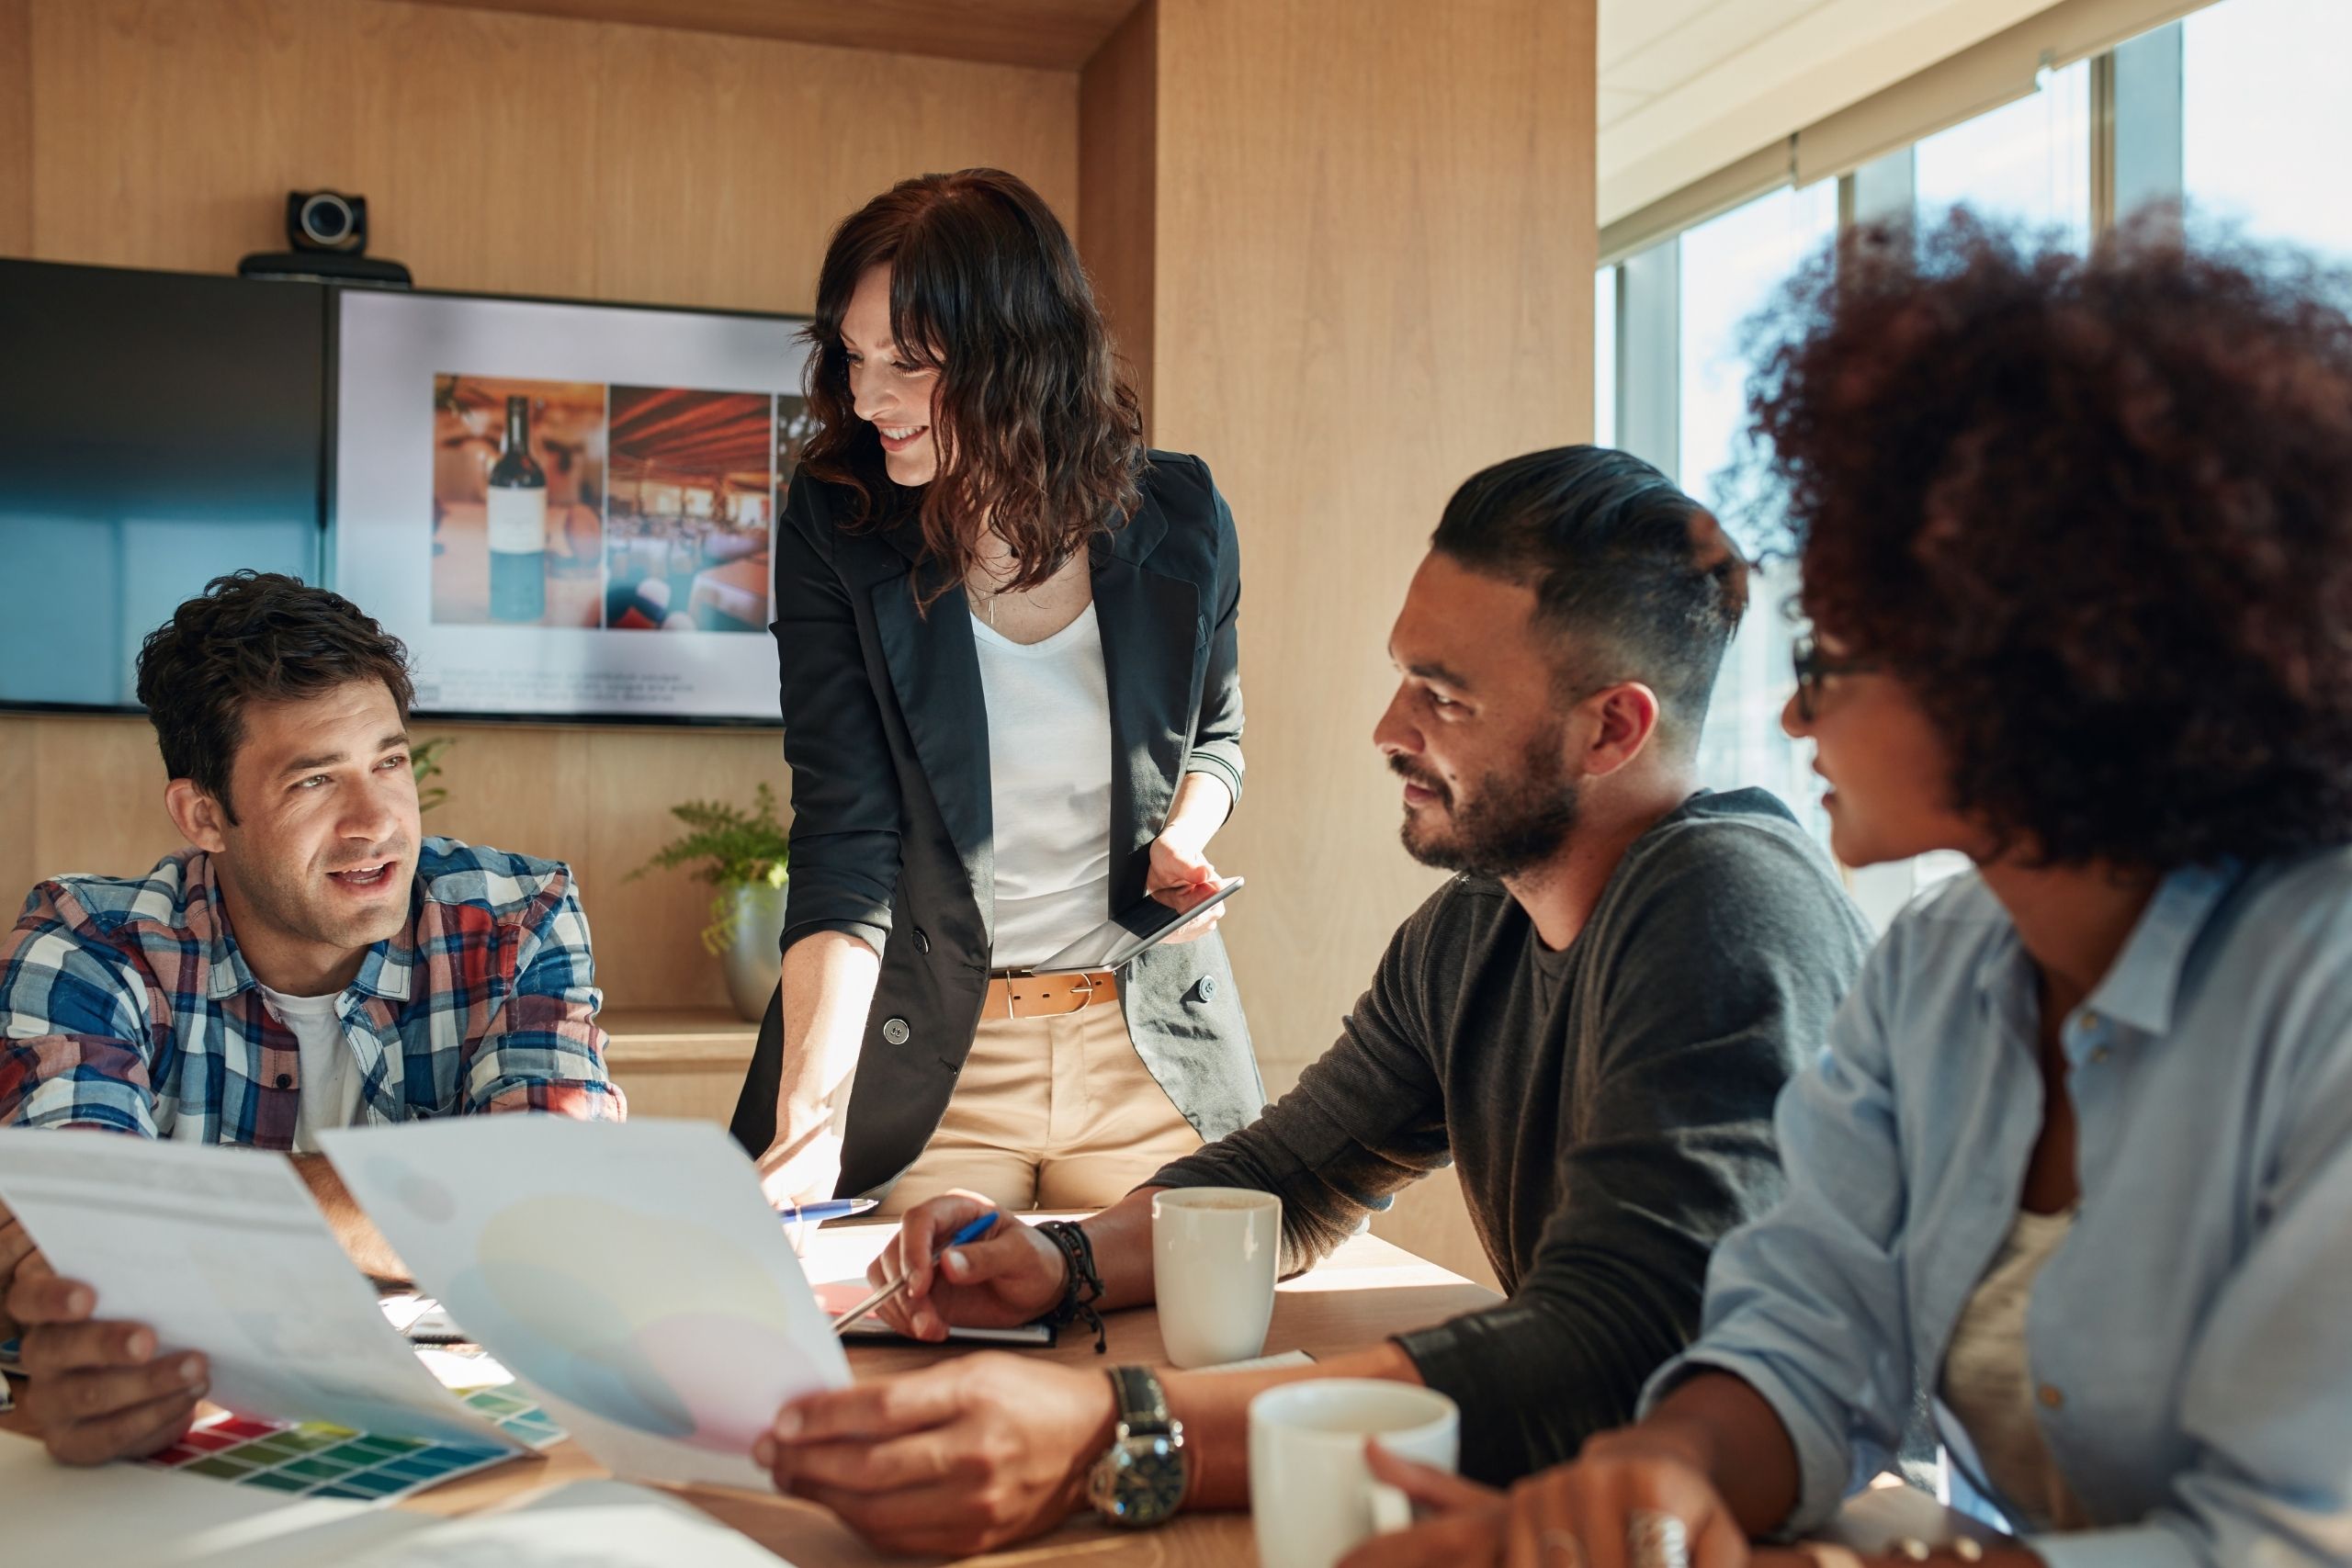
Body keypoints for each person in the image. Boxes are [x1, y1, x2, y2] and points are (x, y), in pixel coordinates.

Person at [1357, 213, 2352, 1568]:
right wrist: (1661, 1471)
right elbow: (1804, 1339)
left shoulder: (2323, 1003)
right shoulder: (1939, 971)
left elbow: (2289, 1537)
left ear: (2045, 674)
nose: (1797, 713)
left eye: (1836, 653)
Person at [751, 446, 1875, 1557]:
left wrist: (1117, 1429)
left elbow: (1616, 1349)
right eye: (1403, 677)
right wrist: (1062, 1263)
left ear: (1610, 730)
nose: (1390, 730)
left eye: (1443, 697)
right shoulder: (1476, 929)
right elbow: (1285, 1176)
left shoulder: (1727, 905)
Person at [0, 570, 623, 1465]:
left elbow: (540, 1207)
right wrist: (440, 1203)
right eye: (315, 781)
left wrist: (168, 1209)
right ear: (204, 814)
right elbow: (72, 1257)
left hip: (467, 1440)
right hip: (185, 1450)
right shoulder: (85, 944)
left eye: (390, 762)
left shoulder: (516, 914)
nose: (376, 821)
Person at [731, 167, 1259, 1214]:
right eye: (853, 355)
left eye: (909, 364)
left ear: (1023, 356)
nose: (868, 397)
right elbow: (846, 837)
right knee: (918, 1347)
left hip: (1150, 1047)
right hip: (937, 1057)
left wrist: (1187, 835)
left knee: (1201, 1346)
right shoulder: (837, 524)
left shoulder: (1180, 512)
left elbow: (1216, 738)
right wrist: (807, 1119)